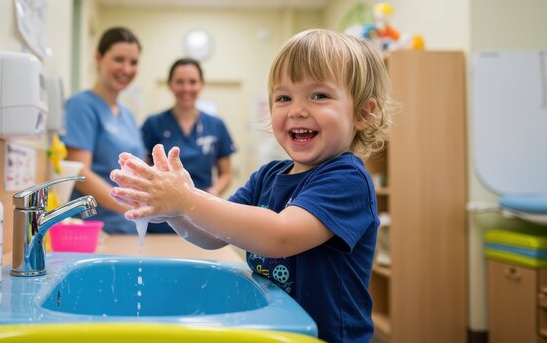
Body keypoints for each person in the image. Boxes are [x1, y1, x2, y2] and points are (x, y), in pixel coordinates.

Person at [110, 29, 397, 342]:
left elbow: (280, 235)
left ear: (363, 114)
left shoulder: (347, 178)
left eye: (319, 96)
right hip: (279, 329)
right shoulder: (268, 176)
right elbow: (214, 235)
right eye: (284, 97)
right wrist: (176, 213)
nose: (297, 109)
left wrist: (187, 199)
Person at [61, 27, 146, 234]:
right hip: (95, 230)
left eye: (133, 62)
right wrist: (129, 207)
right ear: (99, 58)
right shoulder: (81, 106)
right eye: (119, 59)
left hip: (129, 227)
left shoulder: (127, 115)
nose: (126, 69)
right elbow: (80, 173)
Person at [140, 58, 236, 233]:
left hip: (202, 214)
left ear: (201, 84)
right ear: (170, 84)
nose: (186, 88)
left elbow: (226, 174)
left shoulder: (216, 125)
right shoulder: (153, 124)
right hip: (162, 215)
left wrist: (213, 192)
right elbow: (142, 170)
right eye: (179, 82)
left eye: (192, 82)